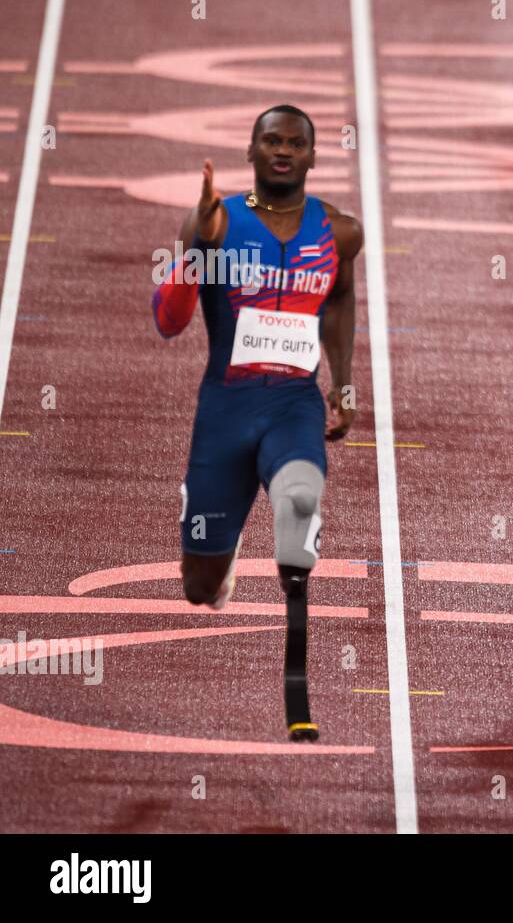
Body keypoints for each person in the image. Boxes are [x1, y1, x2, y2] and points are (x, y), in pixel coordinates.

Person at [151, 105, 363, 739]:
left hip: (293, 404)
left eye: (296, 143)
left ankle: (297, 672)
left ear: (313, 157)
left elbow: (341, 300)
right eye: (271, 139)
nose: (283, 150)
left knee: (299, 500)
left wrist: (344, 382)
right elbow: (168, 322)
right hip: (224, 409)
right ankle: (221, 547)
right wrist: (196, 245)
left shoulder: (339, 231)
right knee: (198, 586)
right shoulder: (214, 223)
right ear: (250, 150)